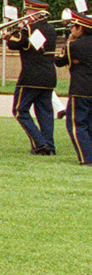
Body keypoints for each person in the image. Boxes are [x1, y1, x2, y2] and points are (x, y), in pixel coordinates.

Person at [8, 0, 57, 155]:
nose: (26, 15)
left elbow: (13, 44)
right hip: (49, 75)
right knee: (45, 112)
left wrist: (16, 30)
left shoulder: (28, 29)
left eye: (28, 11)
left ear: (34, 13)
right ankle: (49, 145)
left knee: (19, 110)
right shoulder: (51, 29)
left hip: (31, 76)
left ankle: (40, 143)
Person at [56, 10, 92, 165]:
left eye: (73, 27)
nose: (71, 30)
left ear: (80, 29)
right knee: (90, 124)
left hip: (80, 89)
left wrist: (69, 42)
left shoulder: (74, 45)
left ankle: (87, 158)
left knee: (76, 124)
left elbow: (61, 61)